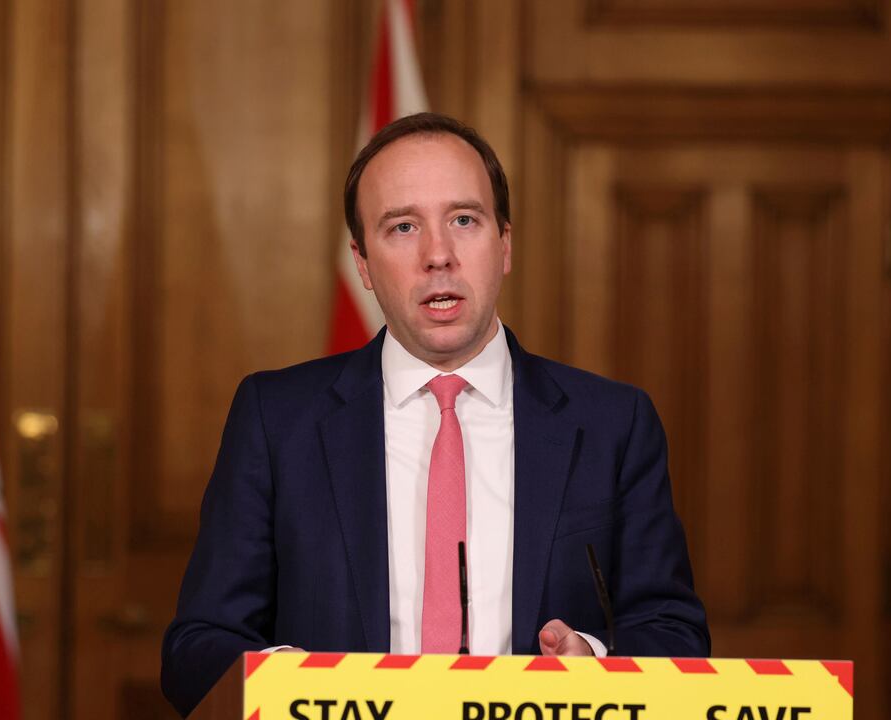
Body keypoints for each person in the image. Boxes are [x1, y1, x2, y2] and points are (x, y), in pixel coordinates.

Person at [160, 112, 709, 716]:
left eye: (464, 220)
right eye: (402, 227)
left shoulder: (614, 424)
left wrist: (596, 662)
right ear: (362, 263)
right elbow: (196, 649)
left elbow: (675, 635)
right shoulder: (276, 421)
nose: (438, 255)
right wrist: (291, 683)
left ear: (504, 244)